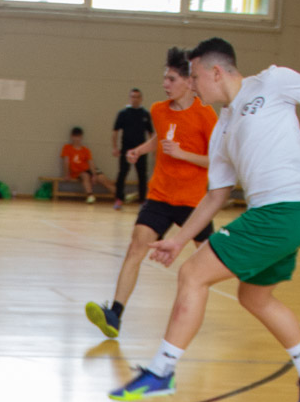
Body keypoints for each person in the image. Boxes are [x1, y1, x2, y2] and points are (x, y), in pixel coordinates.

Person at [109, 37, 300, 402]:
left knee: (192, 275)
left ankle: (161, 371)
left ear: (216, 72)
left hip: (285, 209)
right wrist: (178, 240)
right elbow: (216, 195)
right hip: (275, 215)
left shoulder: (272, 81)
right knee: (254, 297)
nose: (193, 85)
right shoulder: (223, 127)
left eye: (195, 77)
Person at [85, 47, 217, 339]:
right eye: (164, 78)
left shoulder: (206, 115)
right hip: (159, 196)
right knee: (136, 247)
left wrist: (183, 155)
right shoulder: (158, 110)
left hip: (193, 202)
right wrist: (140, 150)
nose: (164, 84)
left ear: (189, 82)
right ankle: (114, 314)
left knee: (211, 259)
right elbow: (161, 137)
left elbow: (217, 160)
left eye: (171, 79)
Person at [111, 88, 154, 208]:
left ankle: (142, 201)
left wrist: (153, 149)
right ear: (130, 98)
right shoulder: (123, 113)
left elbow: (151, 133)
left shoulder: (145, 114)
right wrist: (115, 147)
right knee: (122, 174)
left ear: (141, 98)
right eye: (133, 97)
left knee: (142, 175)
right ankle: (119, 199)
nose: (135, 99)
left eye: (137, 97)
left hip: (141, 150)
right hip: (126, 149)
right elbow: (115, 131)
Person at [60, 127, 114, 203]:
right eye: (75, 136)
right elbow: (66, 161)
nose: (77, 139)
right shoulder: (67, 148)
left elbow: (91, 162)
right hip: (79, 172)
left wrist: (94, 175)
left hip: (89, 169)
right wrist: (66, 174)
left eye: (79, 136)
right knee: (85, 176)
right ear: (72, 137)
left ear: (81, 137)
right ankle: (90, 195)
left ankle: (120, 196)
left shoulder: (85, 150)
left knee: (104, 180)